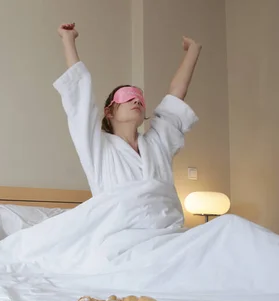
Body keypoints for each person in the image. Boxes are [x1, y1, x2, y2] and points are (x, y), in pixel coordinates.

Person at [54, 23, 202, 197]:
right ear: (109, 112)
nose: (136, 101)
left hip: (165, 223)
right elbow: (81, 91)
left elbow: (176, 95)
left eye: (140, 98)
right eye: (127, 97)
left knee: (231, 223)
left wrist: (193, 50)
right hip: (121, 222)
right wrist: (68, 38)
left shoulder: (157, 143)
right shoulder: (97, 147)